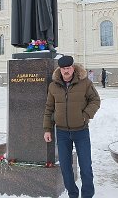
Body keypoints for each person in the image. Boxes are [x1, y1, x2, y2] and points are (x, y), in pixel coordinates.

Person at [43, 55, 100, 198]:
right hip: (61, 133)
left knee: (86, 167)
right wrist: (47, 129)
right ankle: (73, 194)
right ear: (60, 70)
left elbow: (95, 100)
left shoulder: (85, 83)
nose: (66, 71)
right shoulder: (53, 85)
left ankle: (87, 195)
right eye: (63, 69)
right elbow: (49, 108)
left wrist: (85, 115)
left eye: (68, 68)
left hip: (81, 131)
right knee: (65, 168)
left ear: (73, 68)